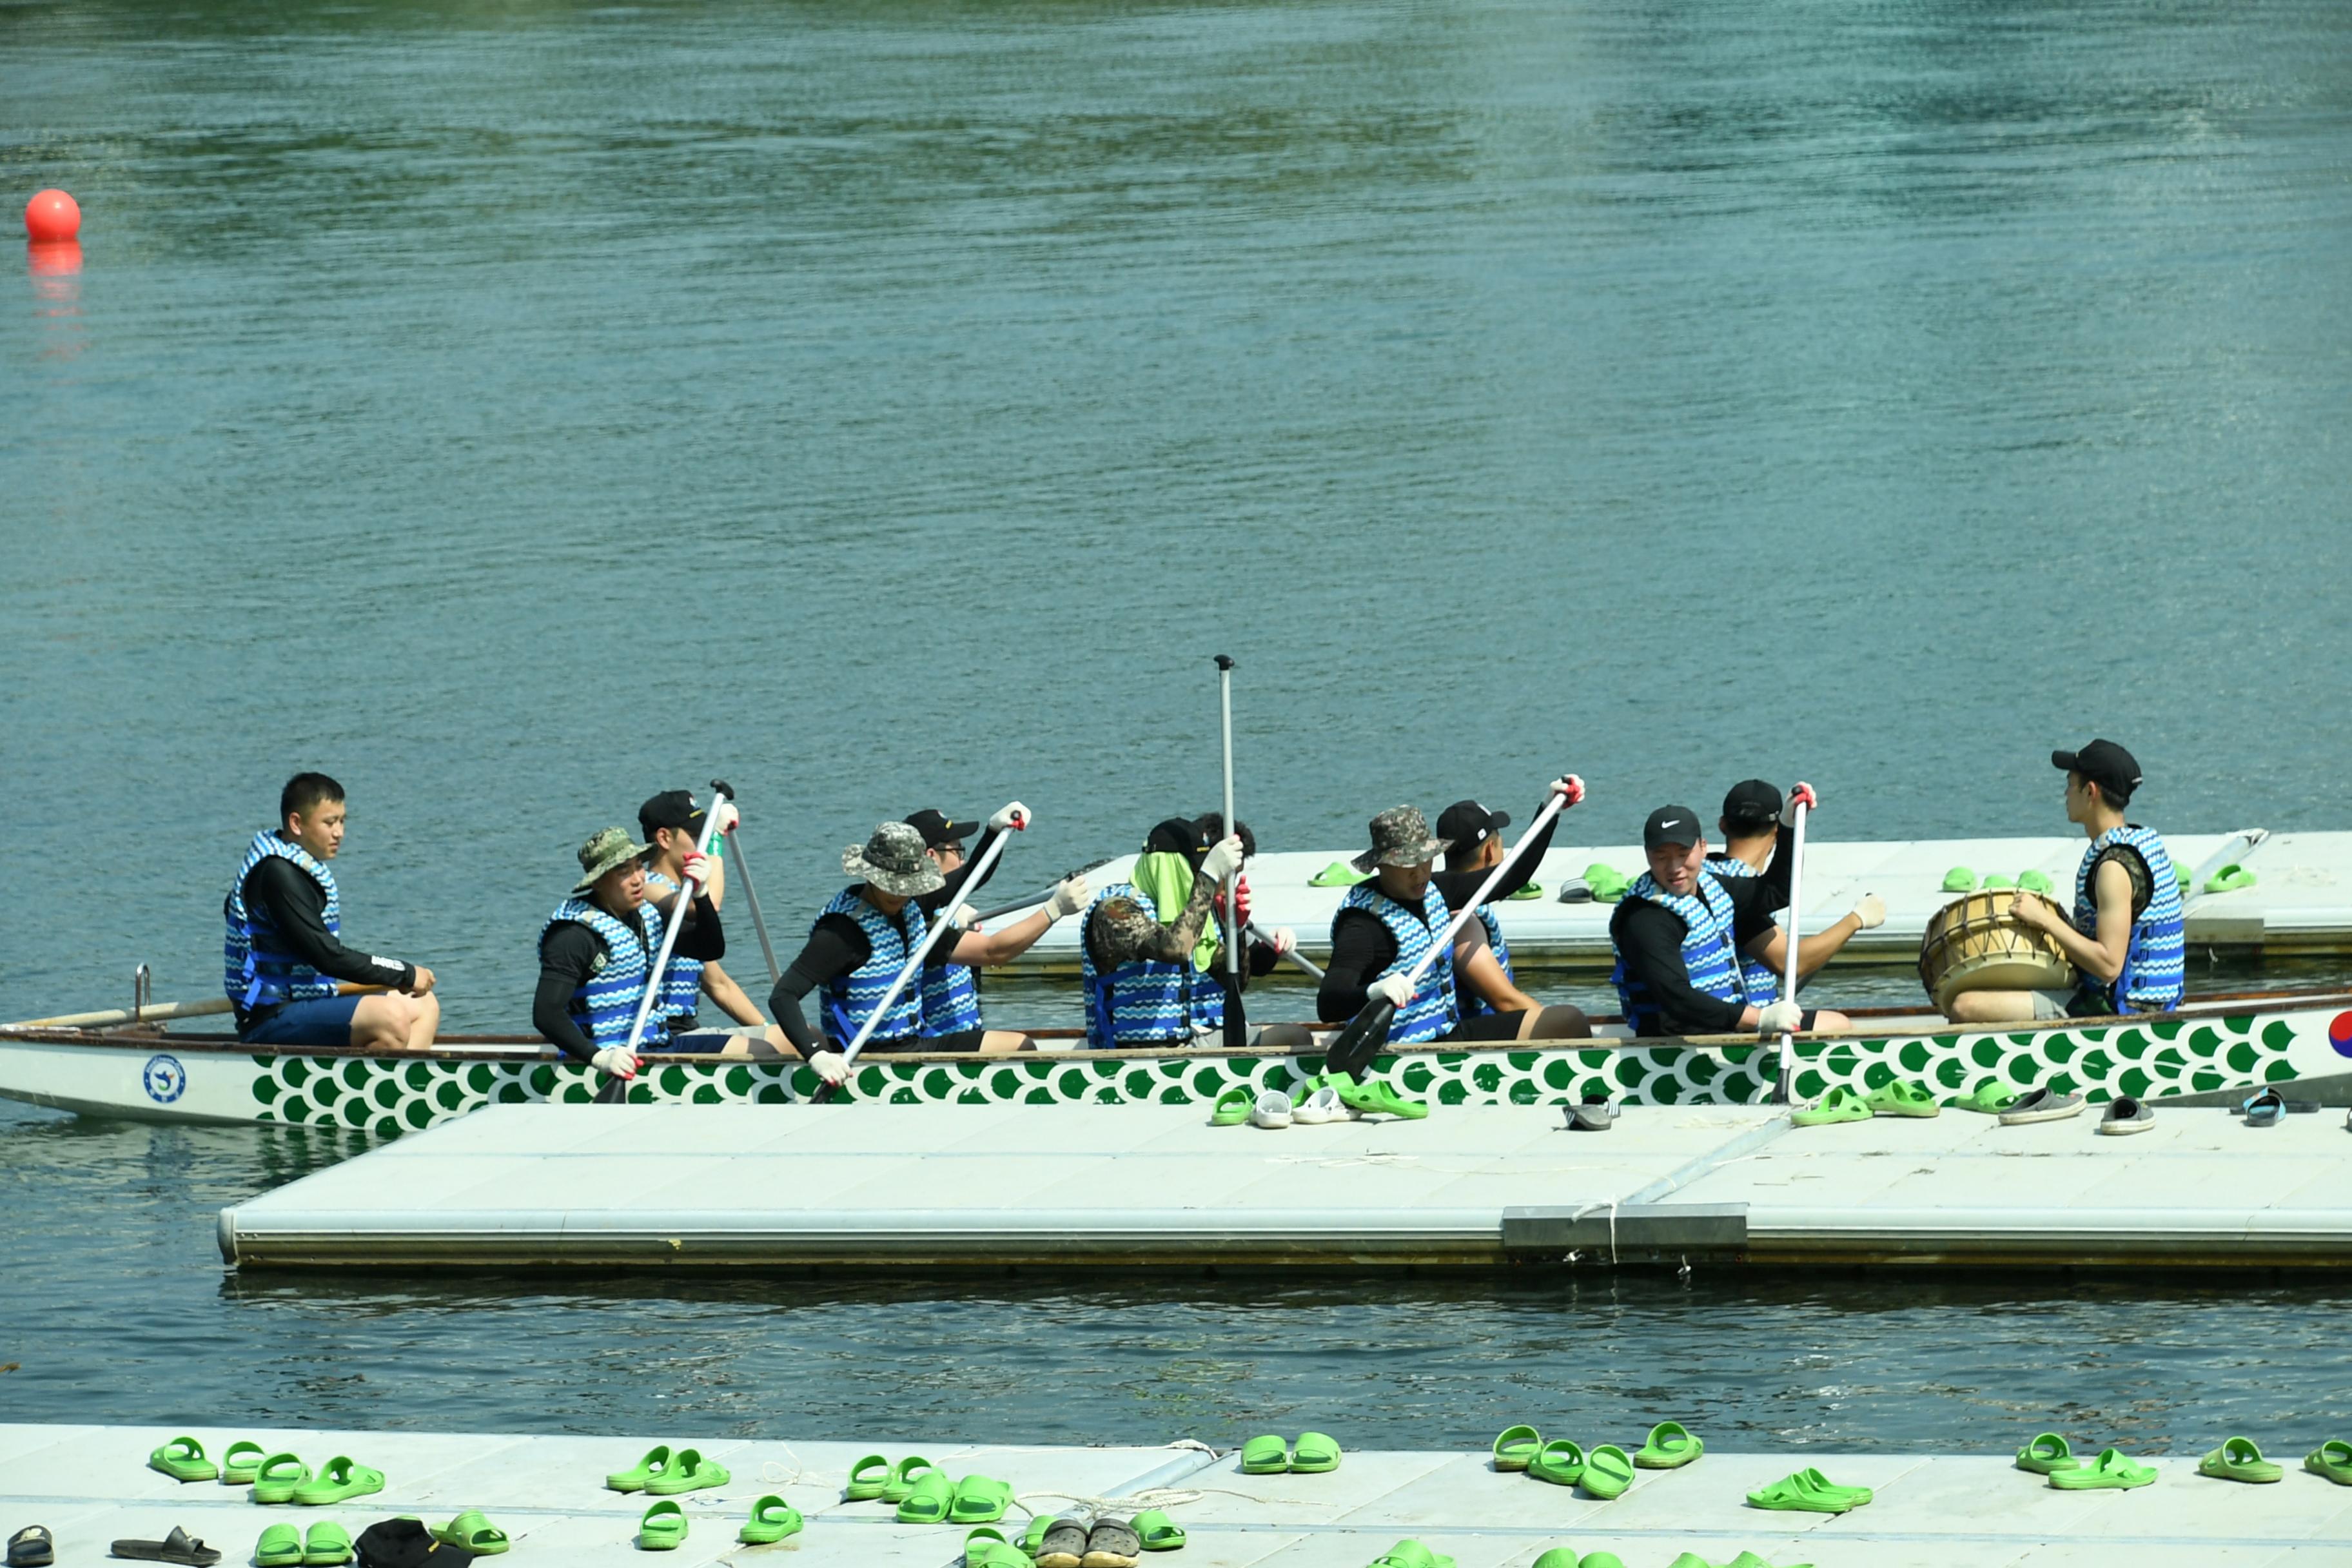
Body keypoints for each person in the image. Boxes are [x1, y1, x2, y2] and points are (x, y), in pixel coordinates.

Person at [770, 816, 1090, 1083]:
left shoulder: (908, 900)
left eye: (908, 886)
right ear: (871, 876)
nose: (901, 895)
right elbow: (783, 995)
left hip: (914, 1043)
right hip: (870, 1056)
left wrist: (995, 829)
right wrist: (817, 1055)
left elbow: (971, 877)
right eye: (892, 886)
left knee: (1022, 1047)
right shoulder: (841, 933)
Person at [1317, 784, 1591, 1043]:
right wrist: (1374, 991)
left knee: (1568, 1020)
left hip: (1448, 1037)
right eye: (1407, 864)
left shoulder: (1437, 888)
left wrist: (1549, 809)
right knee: (1568, 1021)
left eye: (1426, 859)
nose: (1420, 872)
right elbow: (1328, 1004)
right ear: (1381, 865)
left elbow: (1512, 876)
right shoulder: (1362, 925)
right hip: (1400, 1053)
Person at [1944, 741, 2185, 1022]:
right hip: (2124, 997)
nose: (2065, 793)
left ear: (2090, 792)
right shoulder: (2140, 842)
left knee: (1965, 1006)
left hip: (2124, 1011)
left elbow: (2109, 966)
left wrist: (2045, 920)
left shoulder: (2114, 867)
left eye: (2070, 785)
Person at [1609, 789, 1857, 1038]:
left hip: (1721, 1027)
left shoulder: (1713, 885)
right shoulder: (1645, 917)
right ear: (1647, 855)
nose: (1675, 868)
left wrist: (1789, 826)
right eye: (1661, 857)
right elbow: (1676, 997)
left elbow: (1776, 892)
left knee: (1837, 1023)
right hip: (1674, 1046)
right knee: (1836, 1026)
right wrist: (1759, 1018)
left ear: (1703, 848)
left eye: (1684, 855)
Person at [222, 771, 440, 1050]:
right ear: (296, 823)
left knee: (423, 1004)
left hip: (306, 1003)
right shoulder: (276, 874)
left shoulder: (291, 867)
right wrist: (405, 973)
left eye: (342, 821)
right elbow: (328, 957)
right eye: (329, 823)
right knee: (390, 1019)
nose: (340, 832)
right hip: (269, 1017)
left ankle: (404, 1087)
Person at [1078, 817, 1302, 1049]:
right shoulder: (1115, 910)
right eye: (1194, 870)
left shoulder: (1199, 913)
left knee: (1297, 1037)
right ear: (1169, 869)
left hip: (1198, 1039)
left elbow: (1235, 980)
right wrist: (1208, 878)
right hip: (1137, 1053)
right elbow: (1175, 949)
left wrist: (1234, 926)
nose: (1198, 879)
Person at [533, 827, 736, 1081]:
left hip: (660, 1046)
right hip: (614, 1061)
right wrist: (599, 1058)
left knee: (768, 1049)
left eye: (639, 866)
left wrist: (702, 894)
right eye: (624, 872)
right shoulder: (573, 935)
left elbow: (711, 948)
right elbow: (546, 1013)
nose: (638, 879)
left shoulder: (646, 916)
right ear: (597, 882)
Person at [1705, 779, 1884, 1002]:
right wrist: (1857, 919)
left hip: (1727, 1011)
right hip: (1748, 1023)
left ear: (1722, 825)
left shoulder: (1705, 872)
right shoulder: (1737, 893)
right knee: (1840, 1023)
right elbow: (1791, 963)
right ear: (1778, 831)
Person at [638, 790, 790, 1053]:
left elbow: (719, 986)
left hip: (689, 1028)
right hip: (659, 1033)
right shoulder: (648, 890)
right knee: (771, 1050)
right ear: (664, 838)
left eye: (707, 835)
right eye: (698, 837)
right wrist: (716, 842)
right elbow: (707, 905)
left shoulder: (681, 898)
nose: (703, 843)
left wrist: (772, 1029)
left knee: (804, 1038)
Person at [902, 807, 1013, 1040]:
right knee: (1025, 1047)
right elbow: (974, 875)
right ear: (931, 855)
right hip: (935, 1043)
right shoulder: (914, 904)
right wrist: (994, 832)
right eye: (958, 851)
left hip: (962, 1033)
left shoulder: (936, 906)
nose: (962, 860)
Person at [1433, 799, 1544, 1020]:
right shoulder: (1463, 922)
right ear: (1490, 851)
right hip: (1477, 1044)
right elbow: (1507, 1001)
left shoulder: (1458, 906)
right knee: (1568, 1020)